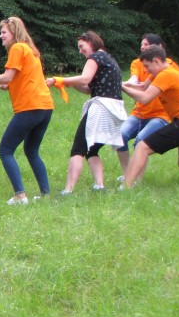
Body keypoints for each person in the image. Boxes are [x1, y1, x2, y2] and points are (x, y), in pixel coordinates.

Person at [0, 16, 53, 204]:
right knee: (31, 150)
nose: (1, 36)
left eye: (4, 32)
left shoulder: (17, 48)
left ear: (14, 32)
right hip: (45, 106)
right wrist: (10, 85)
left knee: (5, 150)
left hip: (30, 106)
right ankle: (45, 194)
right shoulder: (31, 50)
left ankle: (20, 195)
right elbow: (25, 77)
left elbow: (7, 76)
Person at [46, 30, 125, 194]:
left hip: (101, 107)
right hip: (114, 108)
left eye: (82, 46)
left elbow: (85, 79)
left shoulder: (95, 57)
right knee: (91, 149)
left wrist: (58, 80)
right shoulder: (108, 58)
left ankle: (68, 191)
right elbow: (89, 88)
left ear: (91, 42)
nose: (80, 51)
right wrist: (69, 83)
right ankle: (99, 186)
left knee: (78, 148)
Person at [121, 45, 179, 187]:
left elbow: (145, 98)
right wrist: (118, 82)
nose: (146, 70)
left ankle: (126, 186)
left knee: (142, 147)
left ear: (156, 61)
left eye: (147, 66)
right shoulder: (160, 72)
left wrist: (121, 87)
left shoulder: (167, 74)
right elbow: (143, 87)